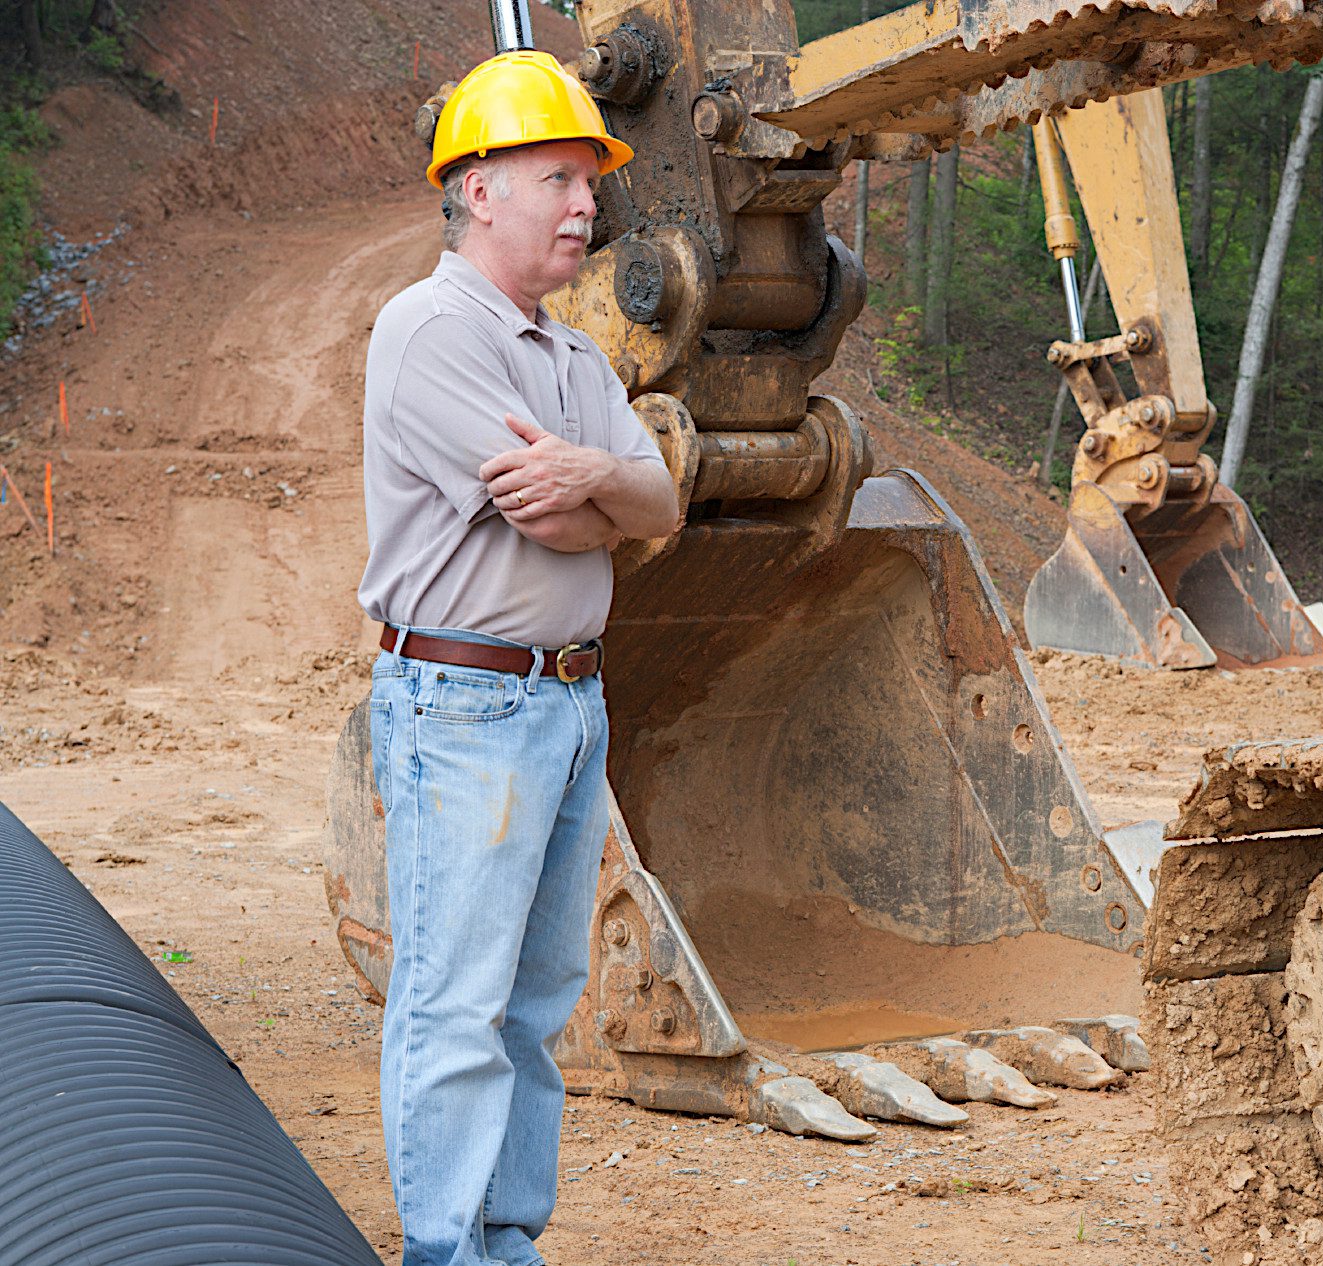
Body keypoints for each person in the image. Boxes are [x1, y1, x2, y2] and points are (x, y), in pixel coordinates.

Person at [355, 49, 677, 1266]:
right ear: (479, 188)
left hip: (568, 708)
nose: (588, 205)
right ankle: (445, 1253)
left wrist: (600, 477)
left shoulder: (571, 355)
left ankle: (506, 1241)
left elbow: (656, 506)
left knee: (537, 1010)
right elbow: (543, 514)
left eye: (592, 182)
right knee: (453, 1007)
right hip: (464, 704)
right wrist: (612, 491)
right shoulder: (429, 329)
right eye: (562, 177)